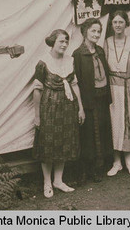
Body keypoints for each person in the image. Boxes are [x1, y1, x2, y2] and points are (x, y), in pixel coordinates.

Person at [32, 29, 85, 198]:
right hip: (49, 109)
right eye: (61, 41)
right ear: (53, 42)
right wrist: (37, 115)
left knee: (64, 142)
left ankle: (58, 180)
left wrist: (81, 108)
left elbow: (75, 85)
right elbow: (37, 90)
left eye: (66, 41)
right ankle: (47, 183)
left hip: (68, 109)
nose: (64, 44)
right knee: (48, 145)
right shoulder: (43, 63)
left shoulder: (70, 61)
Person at [73, 18, 113, 182]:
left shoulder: (100, 51)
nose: (96, 34)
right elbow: (77, 80)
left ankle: (97, 168)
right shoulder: (78, 54)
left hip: (102, 96)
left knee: (101, 130)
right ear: (85, 32)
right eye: (93, 31)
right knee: (87, 134)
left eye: (98, 31)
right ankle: (84, 170)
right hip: (88, 99)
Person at [104, 11, 130, 176]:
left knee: (128, 122)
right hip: (112, 87)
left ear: (126, 24)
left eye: (121, 22)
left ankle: (129, 160)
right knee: (115, 123)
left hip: (128, 86)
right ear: (111, 24)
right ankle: (116, 162)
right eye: (115, 22)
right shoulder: (106, 42)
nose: (118, 25)